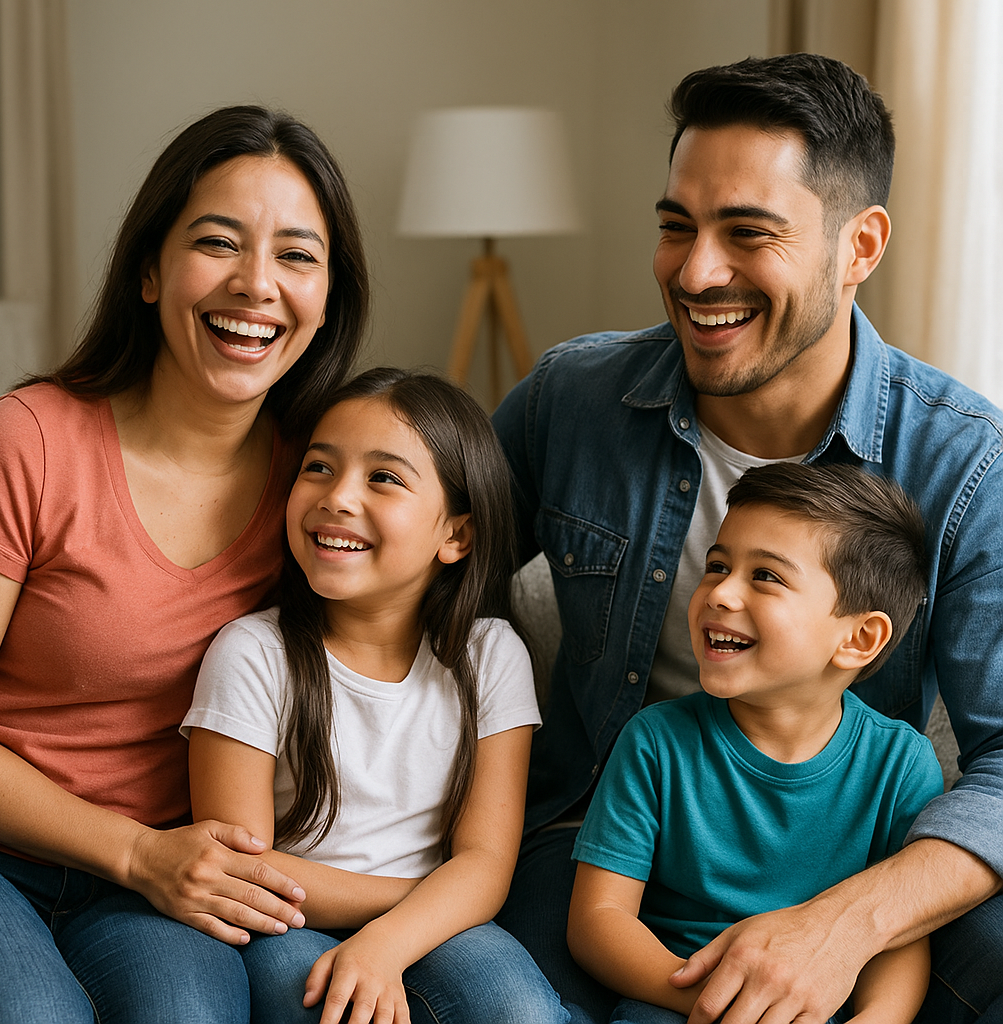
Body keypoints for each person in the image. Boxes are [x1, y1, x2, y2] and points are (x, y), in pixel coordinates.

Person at [492, 53, 1003, 1024]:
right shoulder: (573, 399)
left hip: (838, 855)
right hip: (600, 833)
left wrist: (842, 924)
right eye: (675, 227)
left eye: (747, 234)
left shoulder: (966, 462)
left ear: (860, 246)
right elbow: (426, 571)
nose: (694, 273)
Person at [0, 105, 369, 1023]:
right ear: (150, 270)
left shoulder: (317, 486)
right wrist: (136, 853)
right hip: (0, 854)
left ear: (328, 298)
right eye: (219, 243)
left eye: (297, 256)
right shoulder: (28, 440)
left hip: (165, 879)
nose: (256, 285)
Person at [182, 367, 569, 1024]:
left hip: (435, 922)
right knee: (324, 1005)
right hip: (291, 924)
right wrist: (410, 903)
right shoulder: (250, 653)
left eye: (382, 478)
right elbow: (247, 876)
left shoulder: (491, 654)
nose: (338, 498)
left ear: (456, 536)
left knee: (520, 1009)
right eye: (319, 468)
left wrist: (392, 940)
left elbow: (486, 861)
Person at [567, 463, 943, 1024]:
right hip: (677, 1001)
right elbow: (598, 919)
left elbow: (897, 934)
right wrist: (714, 1007)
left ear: (859, 638)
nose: (720, 592)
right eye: (718, 566)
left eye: (765, 576)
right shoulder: (654, 742)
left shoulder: (901, 764)